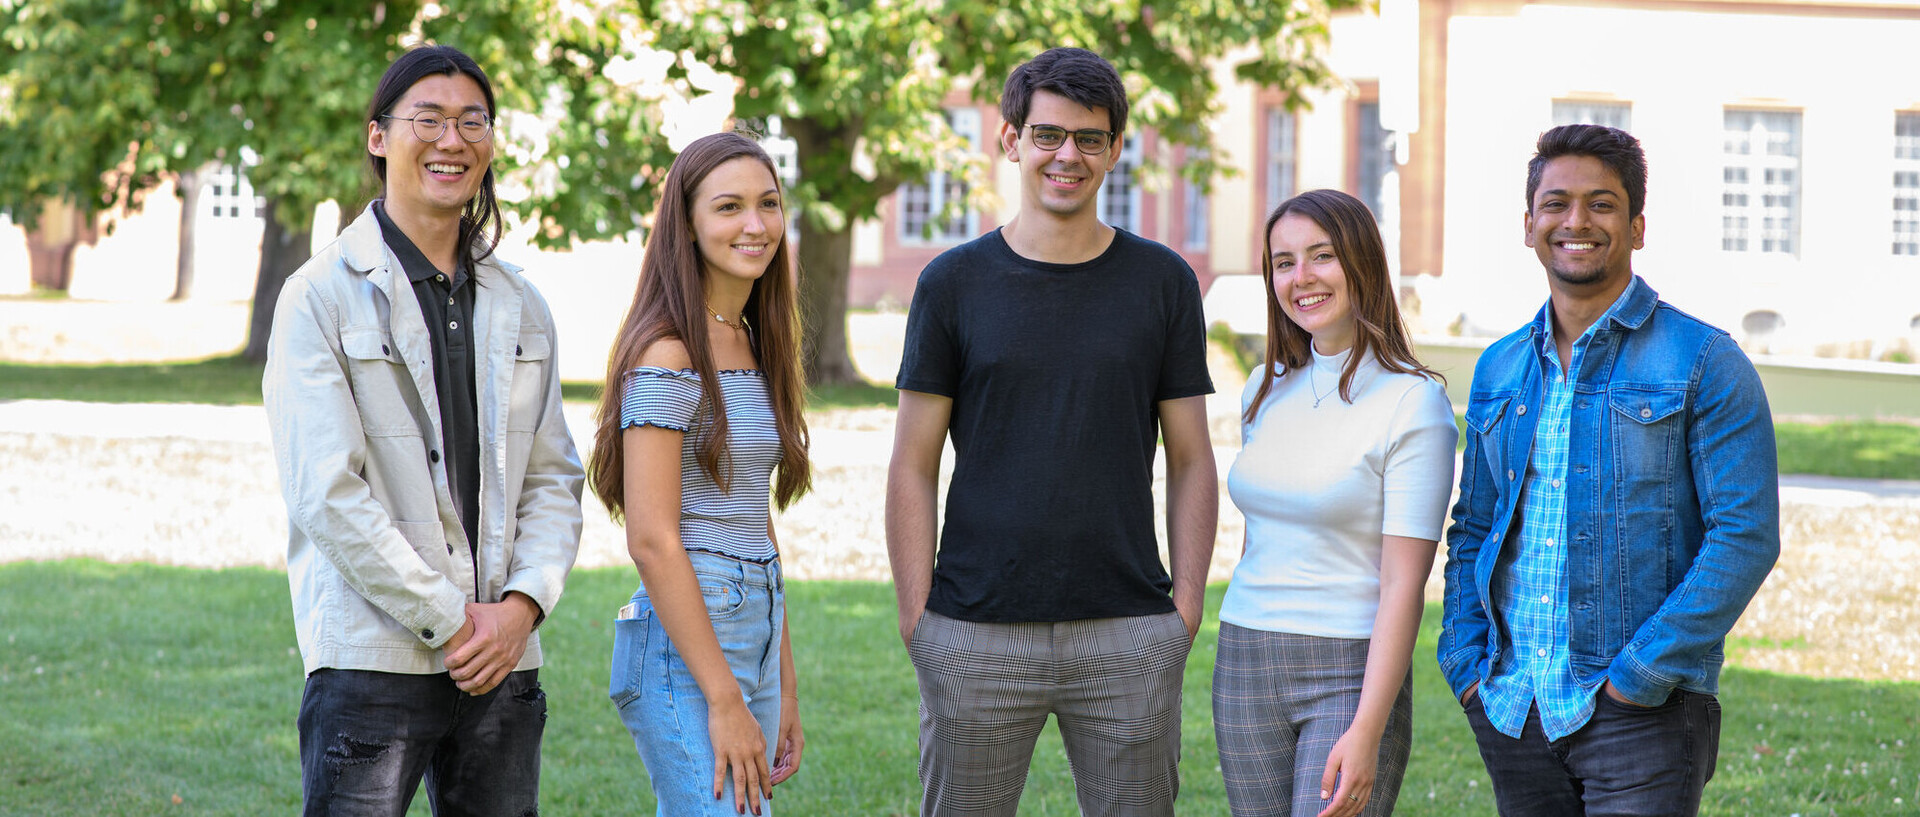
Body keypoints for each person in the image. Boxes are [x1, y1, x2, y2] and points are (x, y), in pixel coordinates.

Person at [886, 46, 1219, 817]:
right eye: (1048, 135)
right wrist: (918, 618)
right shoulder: (952, 283)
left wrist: (1186, 608)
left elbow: (1194, 457)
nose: (1068, 155)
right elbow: (911, 462)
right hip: (973, 629)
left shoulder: (1163, 282)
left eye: (1090, 138)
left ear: (1114, 149)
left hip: (1129, 629)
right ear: (1010, 139)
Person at [263, 45, 585, 816]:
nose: (452, 140)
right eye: (428, 120)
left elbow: (555, 477)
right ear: (378, 137)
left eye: (472, 121)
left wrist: (519, 609)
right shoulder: (318, 297)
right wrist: (451, 618)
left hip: (504, 663)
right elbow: (327, 493)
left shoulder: (522, 303)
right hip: (372, 660)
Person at [1438, 124, 1780, 816]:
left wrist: (1640, 672)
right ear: (1529, 223)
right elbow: (1473, 525)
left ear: (1637, 225)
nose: (1577, 221)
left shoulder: (1704, 361)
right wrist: (1466, 659)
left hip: (1640, 712)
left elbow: (1745, 535)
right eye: (1557, 202)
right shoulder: (1499, 367)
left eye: (1602, 204)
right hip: (1513, 703)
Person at [590, 131, 812, 817]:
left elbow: (752, 510)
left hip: (756, 618)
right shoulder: (668, 348)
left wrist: (785, 677)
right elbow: (652, 538)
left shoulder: (753, 335)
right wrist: (723, 697)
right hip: (686, 647)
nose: (755, 224)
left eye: (768, 204)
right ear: (686, 224)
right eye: (729, 207)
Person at [1214, 189, 1457, 817]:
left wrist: (1370, 726)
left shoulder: (1413, 403)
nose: (1302, 278)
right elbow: (1260, 533)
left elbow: (1406, 584)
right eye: (1284, 262)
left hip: (1348, 668)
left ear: (1361, 264)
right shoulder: (1262, 389)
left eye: (1322, 256)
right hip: (1245, 656)